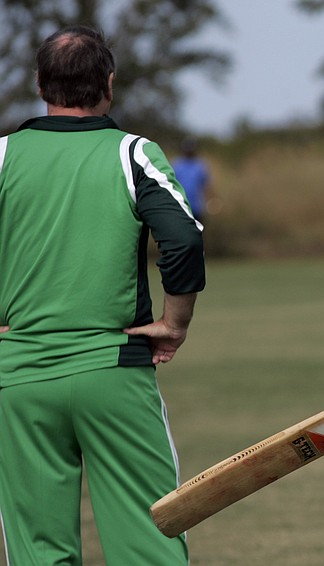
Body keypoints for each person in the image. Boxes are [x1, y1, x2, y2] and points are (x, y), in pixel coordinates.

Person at [0, 25, 204, 565]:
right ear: (109, 84)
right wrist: (175, 323)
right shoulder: (132, 153)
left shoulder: (1, 156)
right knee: (147, 543)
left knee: (38, 552)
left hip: (18, 377)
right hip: (114, 369)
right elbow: (182, 237)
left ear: (40, 83)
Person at [172, 136, 211, 224]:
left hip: (197, 207)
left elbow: (206, 185)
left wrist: (209, 201)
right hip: (181, 206)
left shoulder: (200, 165)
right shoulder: (177, 164)